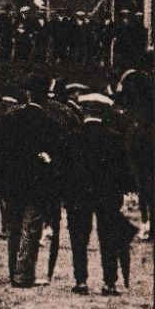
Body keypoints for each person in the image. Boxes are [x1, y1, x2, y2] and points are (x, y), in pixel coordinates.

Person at [0, 82, 64, 287]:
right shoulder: (51, 123)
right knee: (31, 228)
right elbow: (59, 158)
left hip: (11, 183)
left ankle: (14, 272)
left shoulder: (9, 119)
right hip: (38, 185)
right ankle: (23, 275)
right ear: (46, 97)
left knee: (14, 227)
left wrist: (1, 174)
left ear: (28, 94)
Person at [58, 93, 135, 295]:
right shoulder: (115, 139)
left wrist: (64, 194)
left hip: (78, 196)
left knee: (78, 239)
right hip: (108, 196)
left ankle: (81, 281)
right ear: (103, 113)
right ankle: (109, 283)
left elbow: (62, 171)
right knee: (108, 239)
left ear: (83, 112)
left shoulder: (71, 138)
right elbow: (126, 171)